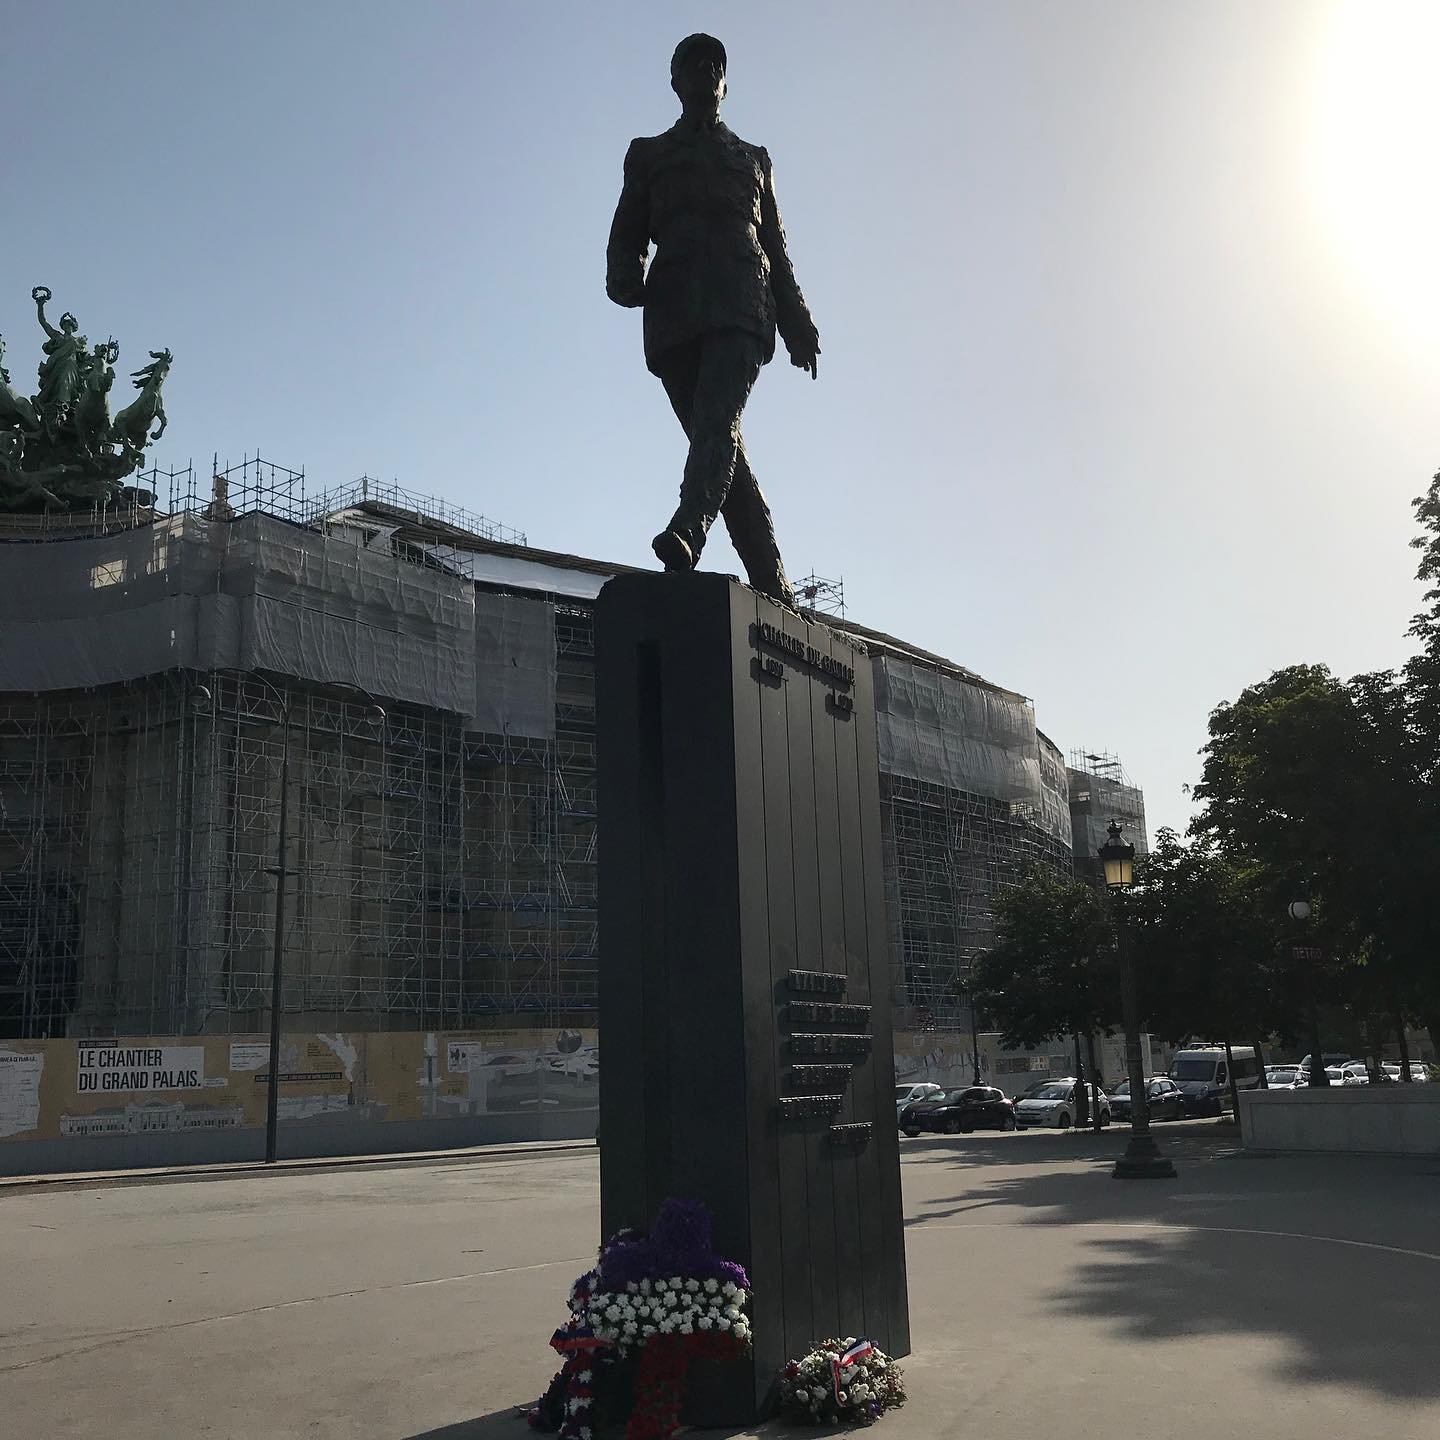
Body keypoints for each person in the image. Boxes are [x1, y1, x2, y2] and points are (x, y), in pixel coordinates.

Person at [606, 34, 820, 606]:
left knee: (715, 422)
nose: (706, 71)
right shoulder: (648, 154)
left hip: (741, 304)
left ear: (726, 83)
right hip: (674, 311)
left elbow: (774, 242)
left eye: (716, 65)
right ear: (674, 80)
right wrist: (624, 271)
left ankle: (688, 527)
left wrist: (796, 318)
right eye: (693, 64)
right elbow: (627, 226)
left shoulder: (753, 159)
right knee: (719, 445)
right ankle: (774, 585)